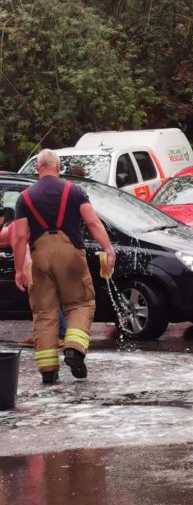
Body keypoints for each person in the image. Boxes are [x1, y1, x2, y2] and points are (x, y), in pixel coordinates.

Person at [10, 149, 116, 384]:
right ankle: (74, 350)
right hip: (71, 255)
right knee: (80, 303)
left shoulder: (25, 198)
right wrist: (108, 249)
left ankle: (48, 370)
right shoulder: (74, 191)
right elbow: (92, 222)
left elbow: (18, 237)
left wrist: (19, 269)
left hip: (40, 256)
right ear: (58, 168)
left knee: (44, 313)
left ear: (38, 168)